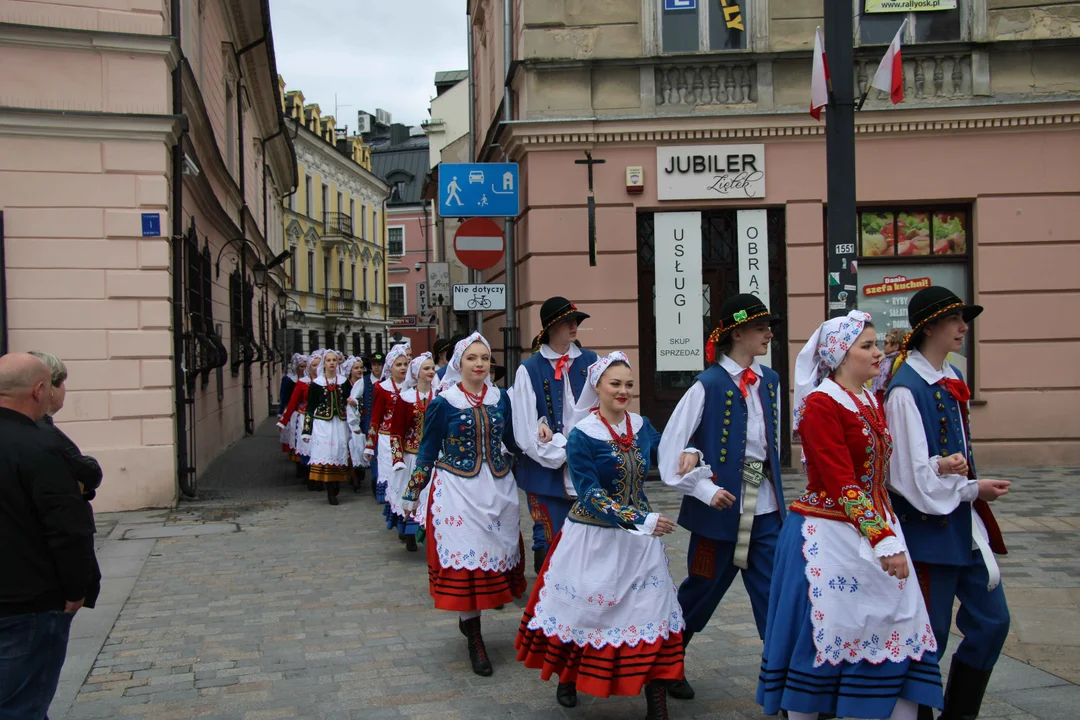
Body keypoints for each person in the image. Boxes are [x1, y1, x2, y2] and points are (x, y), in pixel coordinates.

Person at [757, 310, 942, 720]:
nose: (880, 353)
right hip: (828, 535)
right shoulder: (822, 404)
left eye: (877, 344)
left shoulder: (869, 399)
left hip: (874, 526)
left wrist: (937, 472)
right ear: (841, 355)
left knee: (896, 624)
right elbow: (841, 480)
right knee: (828, 634)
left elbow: (877, 472)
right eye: (868, 346)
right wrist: (884, 539)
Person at [515, 352, 685, 719]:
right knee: (587, 614)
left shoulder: (641, 426)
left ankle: (657, 700)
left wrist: (690, 451)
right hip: (594, 538)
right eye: (615, 384)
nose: (623, 391)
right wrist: (640, 519)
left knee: (651, 612)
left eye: (628, 384)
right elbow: (590, 495)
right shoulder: (582, 435)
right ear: (598, 387)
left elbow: (669, 452)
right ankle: (569, 677)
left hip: (638, 543)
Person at [884, 286, 1011, 720]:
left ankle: (959, 714)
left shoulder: (952, 378)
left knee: (993, 622)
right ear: (929, 327)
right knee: (929, 635)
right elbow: (907, 477)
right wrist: (971, 488)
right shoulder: (904, 391)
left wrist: (968, 485)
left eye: (963, 318)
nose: (963, 326)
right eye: (955, 318)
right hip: (926, 531)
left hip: (961, 524)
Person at [657, 293, 787, 700]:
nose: (769, 334)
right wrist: (704, 487)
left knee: (774, 596)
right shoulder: (707, 384)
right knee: (702, 589)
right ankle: (666, 667)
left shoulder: (771, 380)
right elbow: (668, 454)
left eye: (769, 327)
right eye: (761, 327)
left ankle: (784, 688)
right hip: (722, 506)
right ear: (737, 333)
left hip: (762, 505)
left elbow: (771, 447)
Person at [401, 333, 525, 677]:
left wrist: (540, 434)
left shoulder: (502, 399)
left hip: (497, 488)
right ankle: (475, 637)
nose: (481, 364)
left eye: (485, 358)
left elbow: (512, 441)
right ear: (459, 363)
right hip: (457, 492)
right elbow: (427, 450)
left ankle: (471, 622)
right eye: (473, 358)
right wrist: (413, 491)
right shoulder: (445, 402)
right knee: (466, 567)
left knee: (491, 559)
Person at [0, 353, 99, 719]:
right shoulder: (40, 447)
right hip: (29, 601)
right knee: (21, 705)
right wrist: (77, 588)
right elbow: (66, 527)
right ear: (39, 390)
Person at [510, 296, 598, 574]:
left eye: (575, 321)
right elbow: (524, 429)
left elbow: (602, 411)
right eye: (566, 322)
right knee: (549, 537)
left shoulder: (592, 361)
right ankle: (545, 592)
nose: (574, 326)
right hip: (545, 468)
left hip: (586, 464)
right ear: (550, 328)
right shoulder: (529, 368)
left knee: (586, 540)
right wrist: (561, 451)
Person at [30, 351, 104, 503]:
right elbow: (89, 472)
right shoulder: (44, 432)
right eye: (61, 382)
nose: (64, 389)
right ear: (49, 389)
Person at [386, 352, 438, 552]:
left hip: (434, 457)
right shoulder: (406, 398)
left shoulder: (441, 397)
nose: (431, 372)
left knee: (430, 496)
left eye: (433, 368)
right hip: (411, 456)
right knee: (411, 494)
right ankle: (408, 534)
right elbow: (396, 432)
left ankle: (429, 535)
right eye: (426, 368)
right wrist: (397, 458)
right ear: (416, 373)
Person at [301, 351, 352, 505]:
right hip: (322, 424)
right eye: (328, 360)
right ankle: (330, 490)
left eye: (334, 360)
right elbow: (310, 407)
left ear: (337, 363)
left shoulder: (343, 382)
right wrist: (306, 430)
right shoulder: (317, 384)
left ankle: (335, 486)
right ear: (324, 363)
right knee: (326, 454)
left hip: (339, 423)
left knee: (338, 453)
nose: (331, 363)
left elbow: (349, 403)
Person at [365, 345, 410, 510]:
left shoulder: (412, 386)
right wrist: (370, 446)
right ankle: (392, 506)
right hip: (386, 438)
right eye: (399, 365)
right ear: (390, 367)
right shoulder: (382, 388)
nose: (403, 368)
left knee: (405, 473)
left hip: (407, 437)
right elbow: (375, 418)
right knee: (390, 473)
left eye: (405, 364)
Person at [278, 351, 321, 485]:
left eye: (318, 365)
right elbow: (292, 403)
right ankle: (309, 478)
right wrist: (283, 421)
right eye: (313, 365)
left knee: (320, 448)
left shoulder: (325, 382)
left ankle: (320, 478)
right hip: (306, 418)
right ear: (309, 367)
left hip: (321, 419)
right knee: (307, 448)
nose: (316, 368)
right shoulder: (303, 383)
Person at [361, 352, 385, 498]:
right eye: (374, 365)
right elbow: (354, 397)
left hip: (385, 422)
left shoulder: (387, 380)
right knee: (373, 452)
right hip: (370, 422)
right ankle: (375, 479)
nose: (377, 368)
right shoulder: (364, 381)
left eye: (379, 365)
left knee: (382, 453)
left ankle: (382, 482)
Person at [344, 358, 368, 492]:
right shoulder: (345, 384)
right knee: (350, 449)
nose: (359, 370)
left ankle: (359, 473)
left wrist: (357, 403)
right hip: (346, 420)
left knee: (360, 447)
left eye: (361, 367)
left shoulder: (365, 383)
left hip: (361, 419)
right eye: (356, 368)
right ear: (350, 370)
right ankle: (354, 477)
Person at [278, 354, 305, 456]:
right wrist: (282, 412)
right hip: (294, 410)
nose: (303, 369)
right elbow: (285, 397)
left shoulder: (309, 380)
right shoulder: (289, 380)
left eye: (304, 366)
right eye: (301, 367)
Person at [871, 329, 906, 404]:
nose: (883, 345)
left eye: (886, 343)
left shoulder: (898, 361)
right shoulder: (885, 360)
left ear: (896, 346)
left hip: (884, 399)